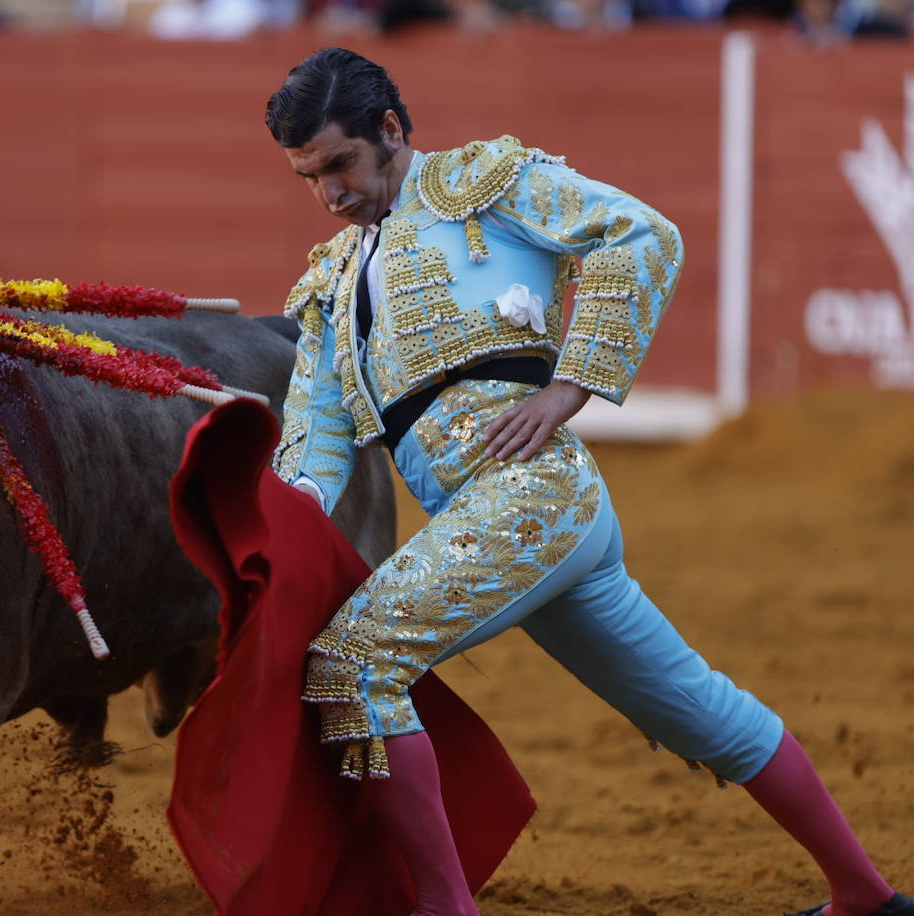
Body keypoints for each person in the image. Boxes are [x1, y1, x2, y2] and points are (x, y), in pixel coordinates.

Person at [265, 47, 911, 916]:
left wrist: (571, 385)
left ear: (390, 130)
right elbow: (315, 444)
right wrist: (275, 518)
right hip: (497, 523)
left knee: (354, 665)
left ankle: (445, 908)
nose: (330, 194)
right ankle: (864, 896)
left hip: (537, 496)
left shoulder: (484, 183)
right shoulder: (330, 288)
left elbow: (642, 234)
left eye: (339, 164)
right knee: (699, 711)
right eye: (309, 177)